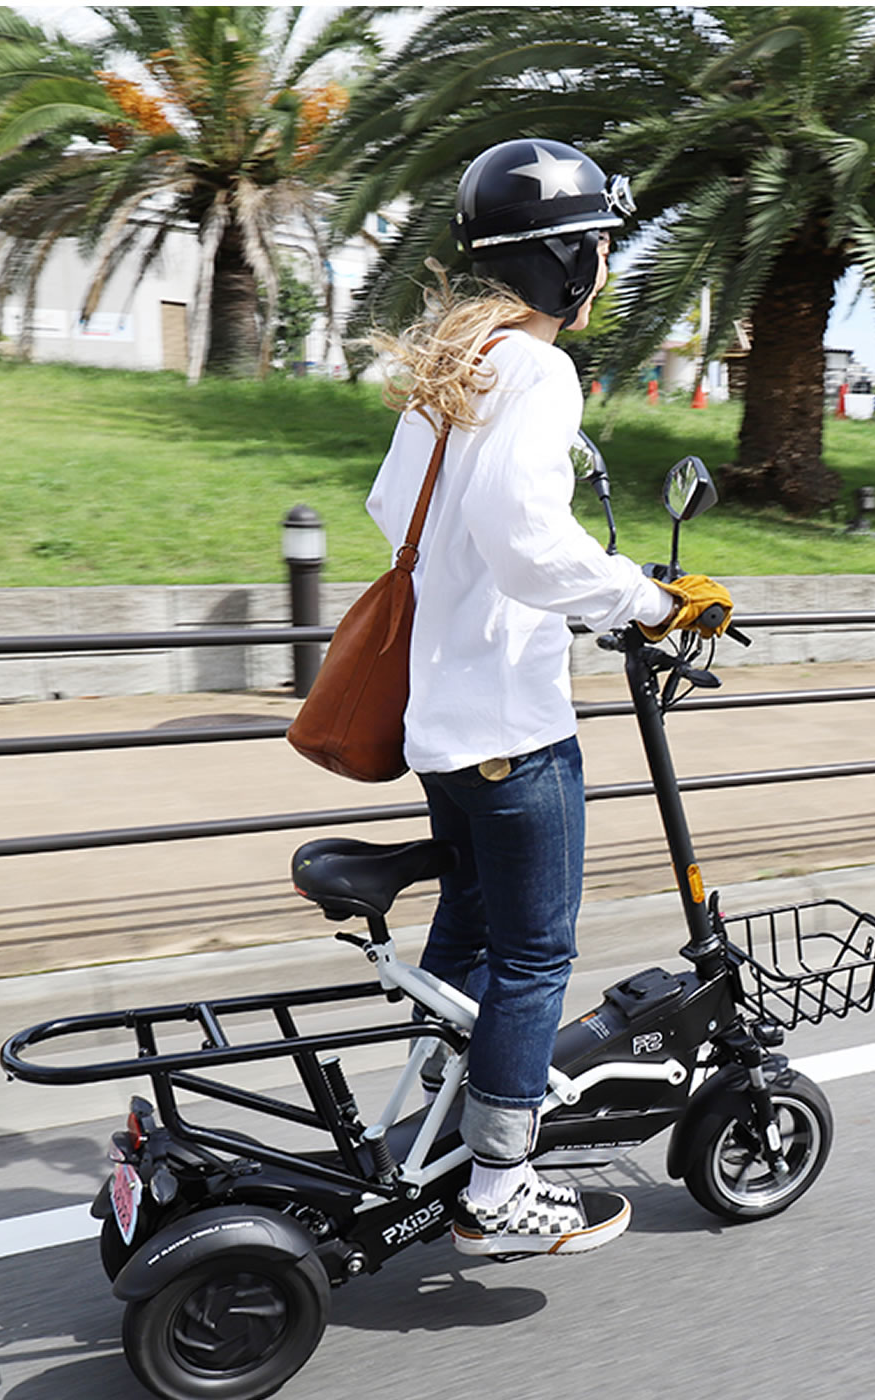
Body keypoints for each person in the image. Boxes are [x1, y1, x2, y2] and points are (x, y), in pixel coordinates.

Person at [366, 138, 732, 1257]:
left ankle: (430, 1121)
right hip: (512, 736)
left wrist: (543, 599)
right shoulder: (535, 369)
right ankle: (499, 1182)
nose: (611, 267)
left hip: (438, 725)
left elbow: (403, 516)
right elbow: (525, 539)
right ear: (568, 259)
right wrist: (641, 601)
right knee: (532, 954)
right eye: (604, 247)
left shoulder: (458, 364)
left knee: (470, 934)